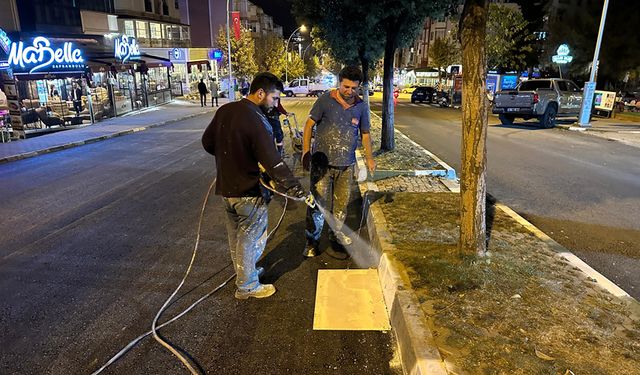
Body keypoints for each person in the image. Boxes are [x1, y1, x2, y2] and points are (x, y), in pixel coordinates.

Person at [202, 72, 306, 299]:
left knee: (237, 237)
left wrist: (231, 158)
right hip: (249, 191)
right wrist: (295, 188)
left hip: (227, 190)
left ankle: (244, 273)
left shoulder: (225, 110)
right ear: (260, 93)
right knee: (251, 238)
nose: (276, 104)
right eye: (274, 98)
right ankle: (247, 285)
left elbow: (207, 142)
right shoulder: (257, 120)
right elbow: (273, 161)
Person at [301, 66, 376, 259]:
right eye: (346, 86)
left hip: (346, 164)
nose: (349, 91)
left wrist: (369, 158)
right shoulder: (325, 100)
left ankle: (335, 236)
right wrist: (306, 152)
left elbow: (365, 134)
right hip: (322, 165)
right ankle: (312, 240)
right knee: (317, 204)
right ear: (339, 82)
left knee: (341, 206)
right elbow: (309, 125)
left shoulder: (361, 106)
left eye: (354, 88)